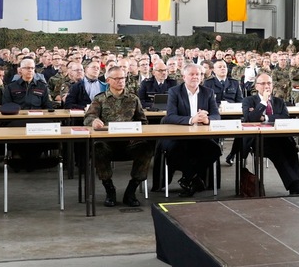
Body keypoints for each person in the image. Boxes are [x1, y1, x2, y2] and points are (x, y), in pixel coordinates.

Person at [83, 66, 153, 207]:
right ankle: (109, 189)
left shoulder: (133, 99)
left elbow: (143, 121)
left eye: (123, 78)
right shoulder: (100, 99)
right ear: (108, 80)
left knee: (146, 148)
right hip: (108, 143)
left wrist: (137, 129)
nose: (121, 81)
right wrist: (94, 121)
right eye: (117, 78)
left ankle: (131, 190)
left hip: (129, 142)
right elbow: (88, 117)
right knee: (97, 149)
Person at [241, 73, 299, 195]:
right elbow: (250, 118)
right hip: (259, 139)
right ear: (256, 86)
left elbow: (285, 118)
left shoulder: (279, 101)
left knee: (291, 148)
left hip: (279, 137)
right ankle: (295, 186)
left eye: (269, 83)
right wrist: (263, 102)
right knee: (276, 150)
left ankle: (296, 184)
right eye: (263, 83)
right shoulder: (248, 101)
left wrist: (265, 117)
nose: (266, 86)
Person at [160, 64, 222, 197]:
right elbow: (169, 116)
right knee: (177, 151)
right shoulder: (174, 92)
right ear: (184, 77)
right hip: (178, 136)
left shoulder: (208, 92)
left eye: (198, 74)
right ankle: (193, 179)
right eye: (192, 74)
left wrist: (207, 120)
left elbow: (216, 115)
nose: (195, 77)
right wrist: (191, 119)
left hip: (200, 136)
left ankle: (189, 179)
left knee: (214, 150)